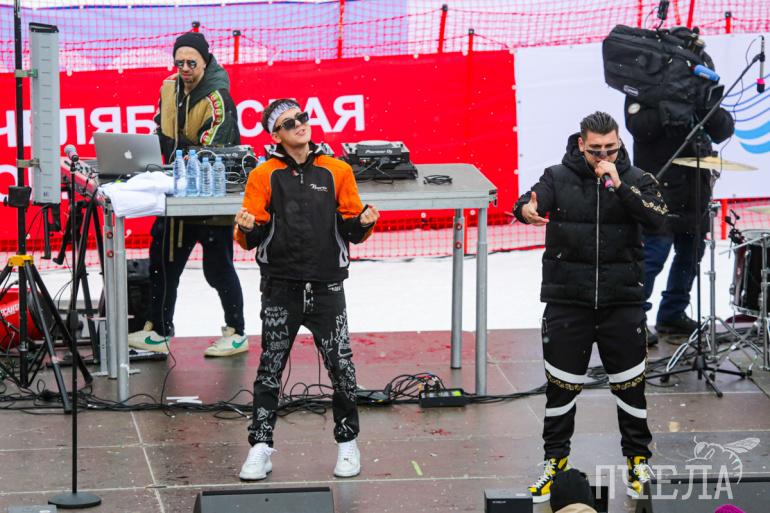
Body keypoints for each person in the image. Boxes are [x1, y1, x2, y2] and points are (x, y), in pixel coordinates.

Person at [514, 112, 666, 503]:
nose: (603, 156)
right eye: (595, 149)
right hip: (568, 300)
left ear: (619, 143)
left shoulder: (637, 179)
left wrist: (620, 187)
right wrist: (524, 209)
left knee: (630, 390)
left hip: (622, 301)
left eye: (610, 149)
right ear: (581, 144)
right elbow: (531, 200)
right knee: (560, 392)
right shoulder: (556, 176)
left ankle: (637, 462)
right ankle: (555, 462)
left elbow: (658, 220)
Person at [233, 99, 380, 481]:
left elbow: (351, 230)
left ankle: (347, 443)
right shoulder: (263, 174)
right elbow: (250, 237)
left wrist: (364, 222)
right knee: (269, 369)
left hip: (327, 286)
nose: (300, 124)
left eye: (302, 117)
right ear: (275, 136)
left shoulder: (337, 170)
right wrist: (246, 228)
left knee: (342, 368)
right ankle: (260, 447)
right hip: (280, 287)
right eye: (289, 123)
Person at [128, 32, 248, 357]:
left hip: (209, 198)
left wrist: (177, 155)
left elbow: (213, 153)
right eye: (179, 62)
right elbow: (159, 128)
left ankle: (237, 332)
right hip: (175, 196)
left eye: (191, 62)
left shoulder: (218, 98)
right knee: (162, 263)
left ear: (205, 61)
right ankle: (159, 330)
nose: (184, 68)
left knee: (217, 268)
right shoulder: (168, 87)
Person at [625, 38, 735, 346]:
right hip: (657, 184)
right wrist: (671, 103)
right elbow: (639, 127)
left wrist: (702, 102)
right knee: (653, 254)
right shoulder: (643, 84)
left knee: (691, 254)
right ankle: (632, 319)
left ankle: (673, 313)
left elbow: (723, 129)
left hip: (694, 185)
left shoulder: (700, 87)